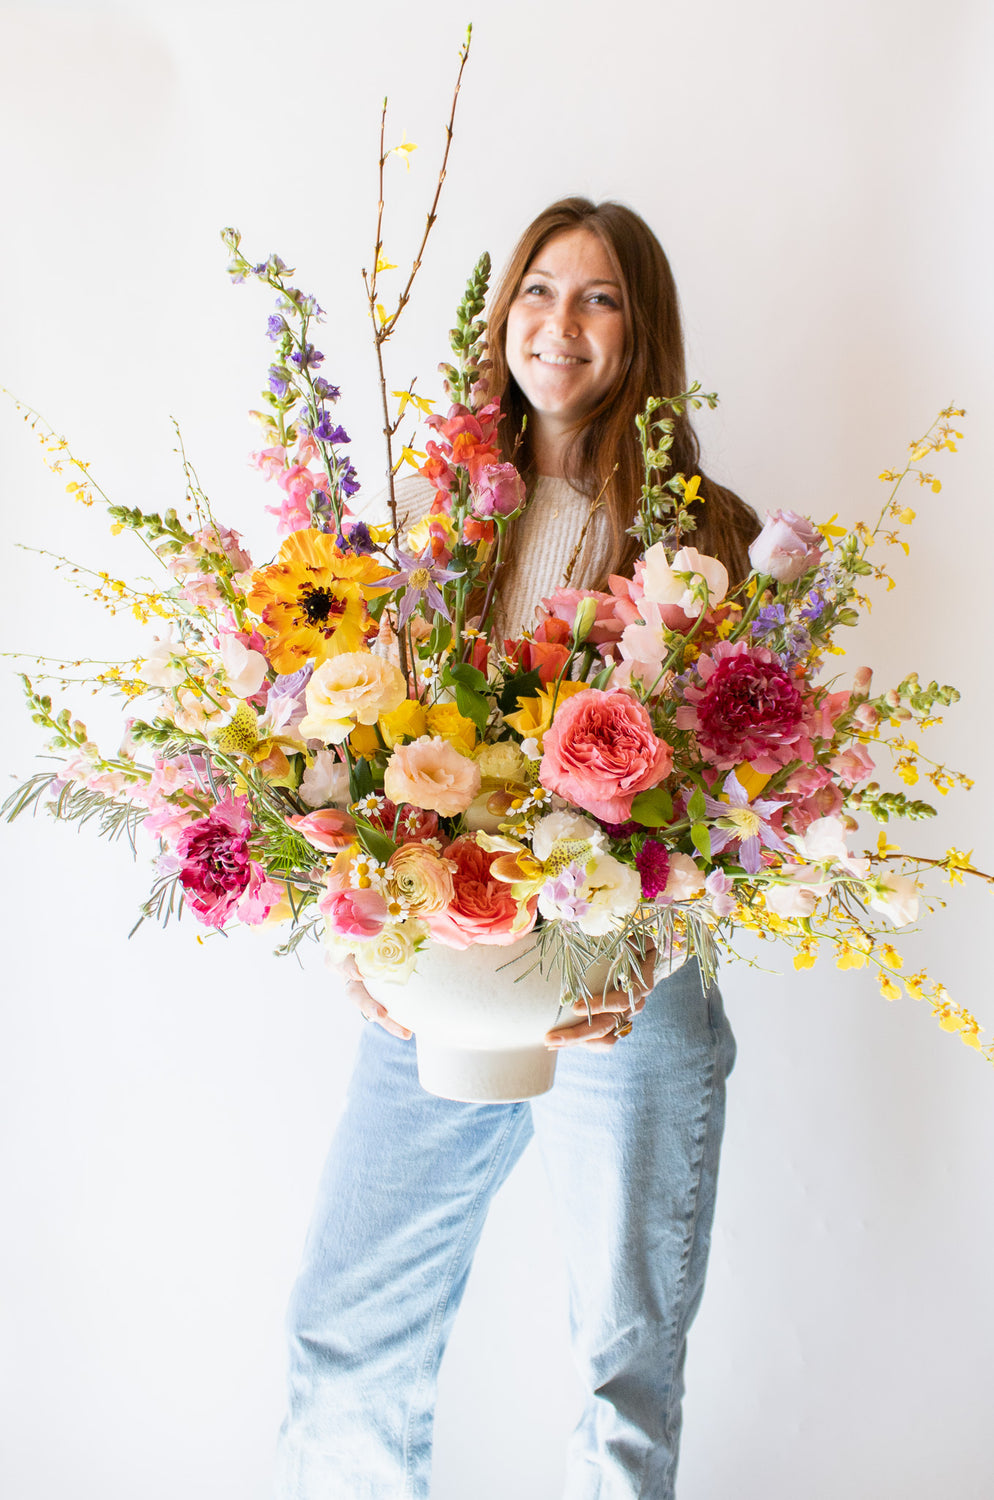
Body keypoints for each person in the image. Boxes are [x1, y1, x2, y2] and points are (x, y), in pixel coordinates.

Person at [274, 198, 759, 1500]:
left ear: (638, 330)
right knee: (344, 1336)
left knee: (622, 1369)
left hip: (625, 987)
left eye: (598, 298)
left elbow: (732, 805)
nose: (559, 323)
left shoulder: (703, 539)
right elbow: (355, 733)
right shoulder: (440, 509)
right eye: (538, 291)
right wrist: (359, 929)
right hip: (445, 970)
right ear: (504, 320)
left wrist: (642, 958)